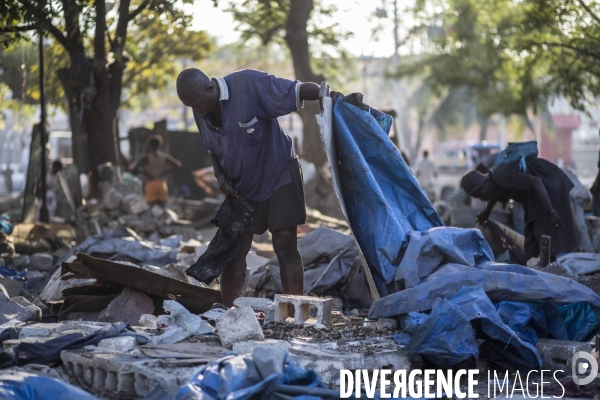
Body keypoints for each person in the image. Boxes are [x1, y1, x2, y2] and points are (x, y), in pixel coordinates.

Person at [176, 68, 320, 306]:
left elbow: (296, 90)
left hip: (279, 173)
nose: (198, 111)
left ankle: (294, 313)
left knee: (285, 246)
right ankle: (232, 311)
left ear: (210, 88)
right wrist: (220, 176)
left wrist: (329, 95)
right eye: (192, 107)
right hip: (241, 186)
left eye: (199, 104)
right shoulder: (199, 107)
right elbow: (212, 147)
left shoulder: (248, 84)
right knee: (233, 251)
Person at [460, 156, 578, 261]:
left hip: (549, 187)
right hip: (533, 199)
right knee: (531, 241)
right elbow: (494, 196)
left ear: (482, 187)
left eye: (478, 196)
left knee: (548, 234)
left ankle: (558, 269)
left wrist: (551, 211)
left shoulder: (501, 175)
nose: (481, 199)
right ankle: (535, 267)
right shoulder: (495, 183)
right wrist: (486, 213)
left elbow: (535, 181)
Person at [129, 135, 182, 206]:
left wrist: (145, 172)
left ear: (149, 146)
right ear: (160, 145)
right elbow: (178, 165)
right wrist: (165, 172)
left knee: (150, 206)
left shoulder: (146, 158)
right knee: (162, 206)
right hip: (161, 183)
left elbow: (133, 168)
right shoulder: (164, 157)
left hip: (151, 183)